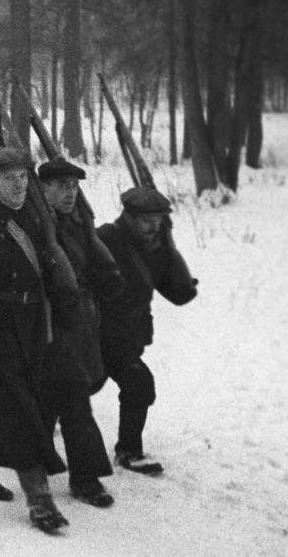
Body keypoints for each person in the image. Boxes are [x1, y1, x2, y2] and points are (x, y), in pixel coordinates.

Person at [0, 147, 79, 534]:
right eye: (8, 178)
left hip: (34, 324)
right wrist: (7, 301)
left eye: (23, 176)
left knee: (8, 400)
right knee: (20, 408)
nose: (18, 184)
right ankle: (39, 499)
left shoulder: (35, 217)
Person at [37, 159, 124, 507]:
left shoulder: (78, 223)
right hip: (47, 324)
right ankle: (84, 477)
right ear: (43, 188)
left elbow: (97, 266)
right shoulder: (34, 224)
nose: (70, 193)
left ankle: (38, 459)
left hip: (78, 323)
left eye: (74, 186)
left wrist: (108, 282)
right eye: (61, 186)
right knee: (72, 399)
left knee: (54, 398)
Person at [94, 187, 198, 476]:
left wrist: (170, 248)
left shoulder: (157, 248)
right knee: (79, 388)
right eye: (146, 221)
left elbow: (180, 294)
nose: (153, 227)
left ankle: (128, 451)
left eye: (158, 220)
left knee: (134, 386)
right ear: (129, 217)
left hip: (127, 337)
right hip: (96, 333)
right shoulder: (104, 239)